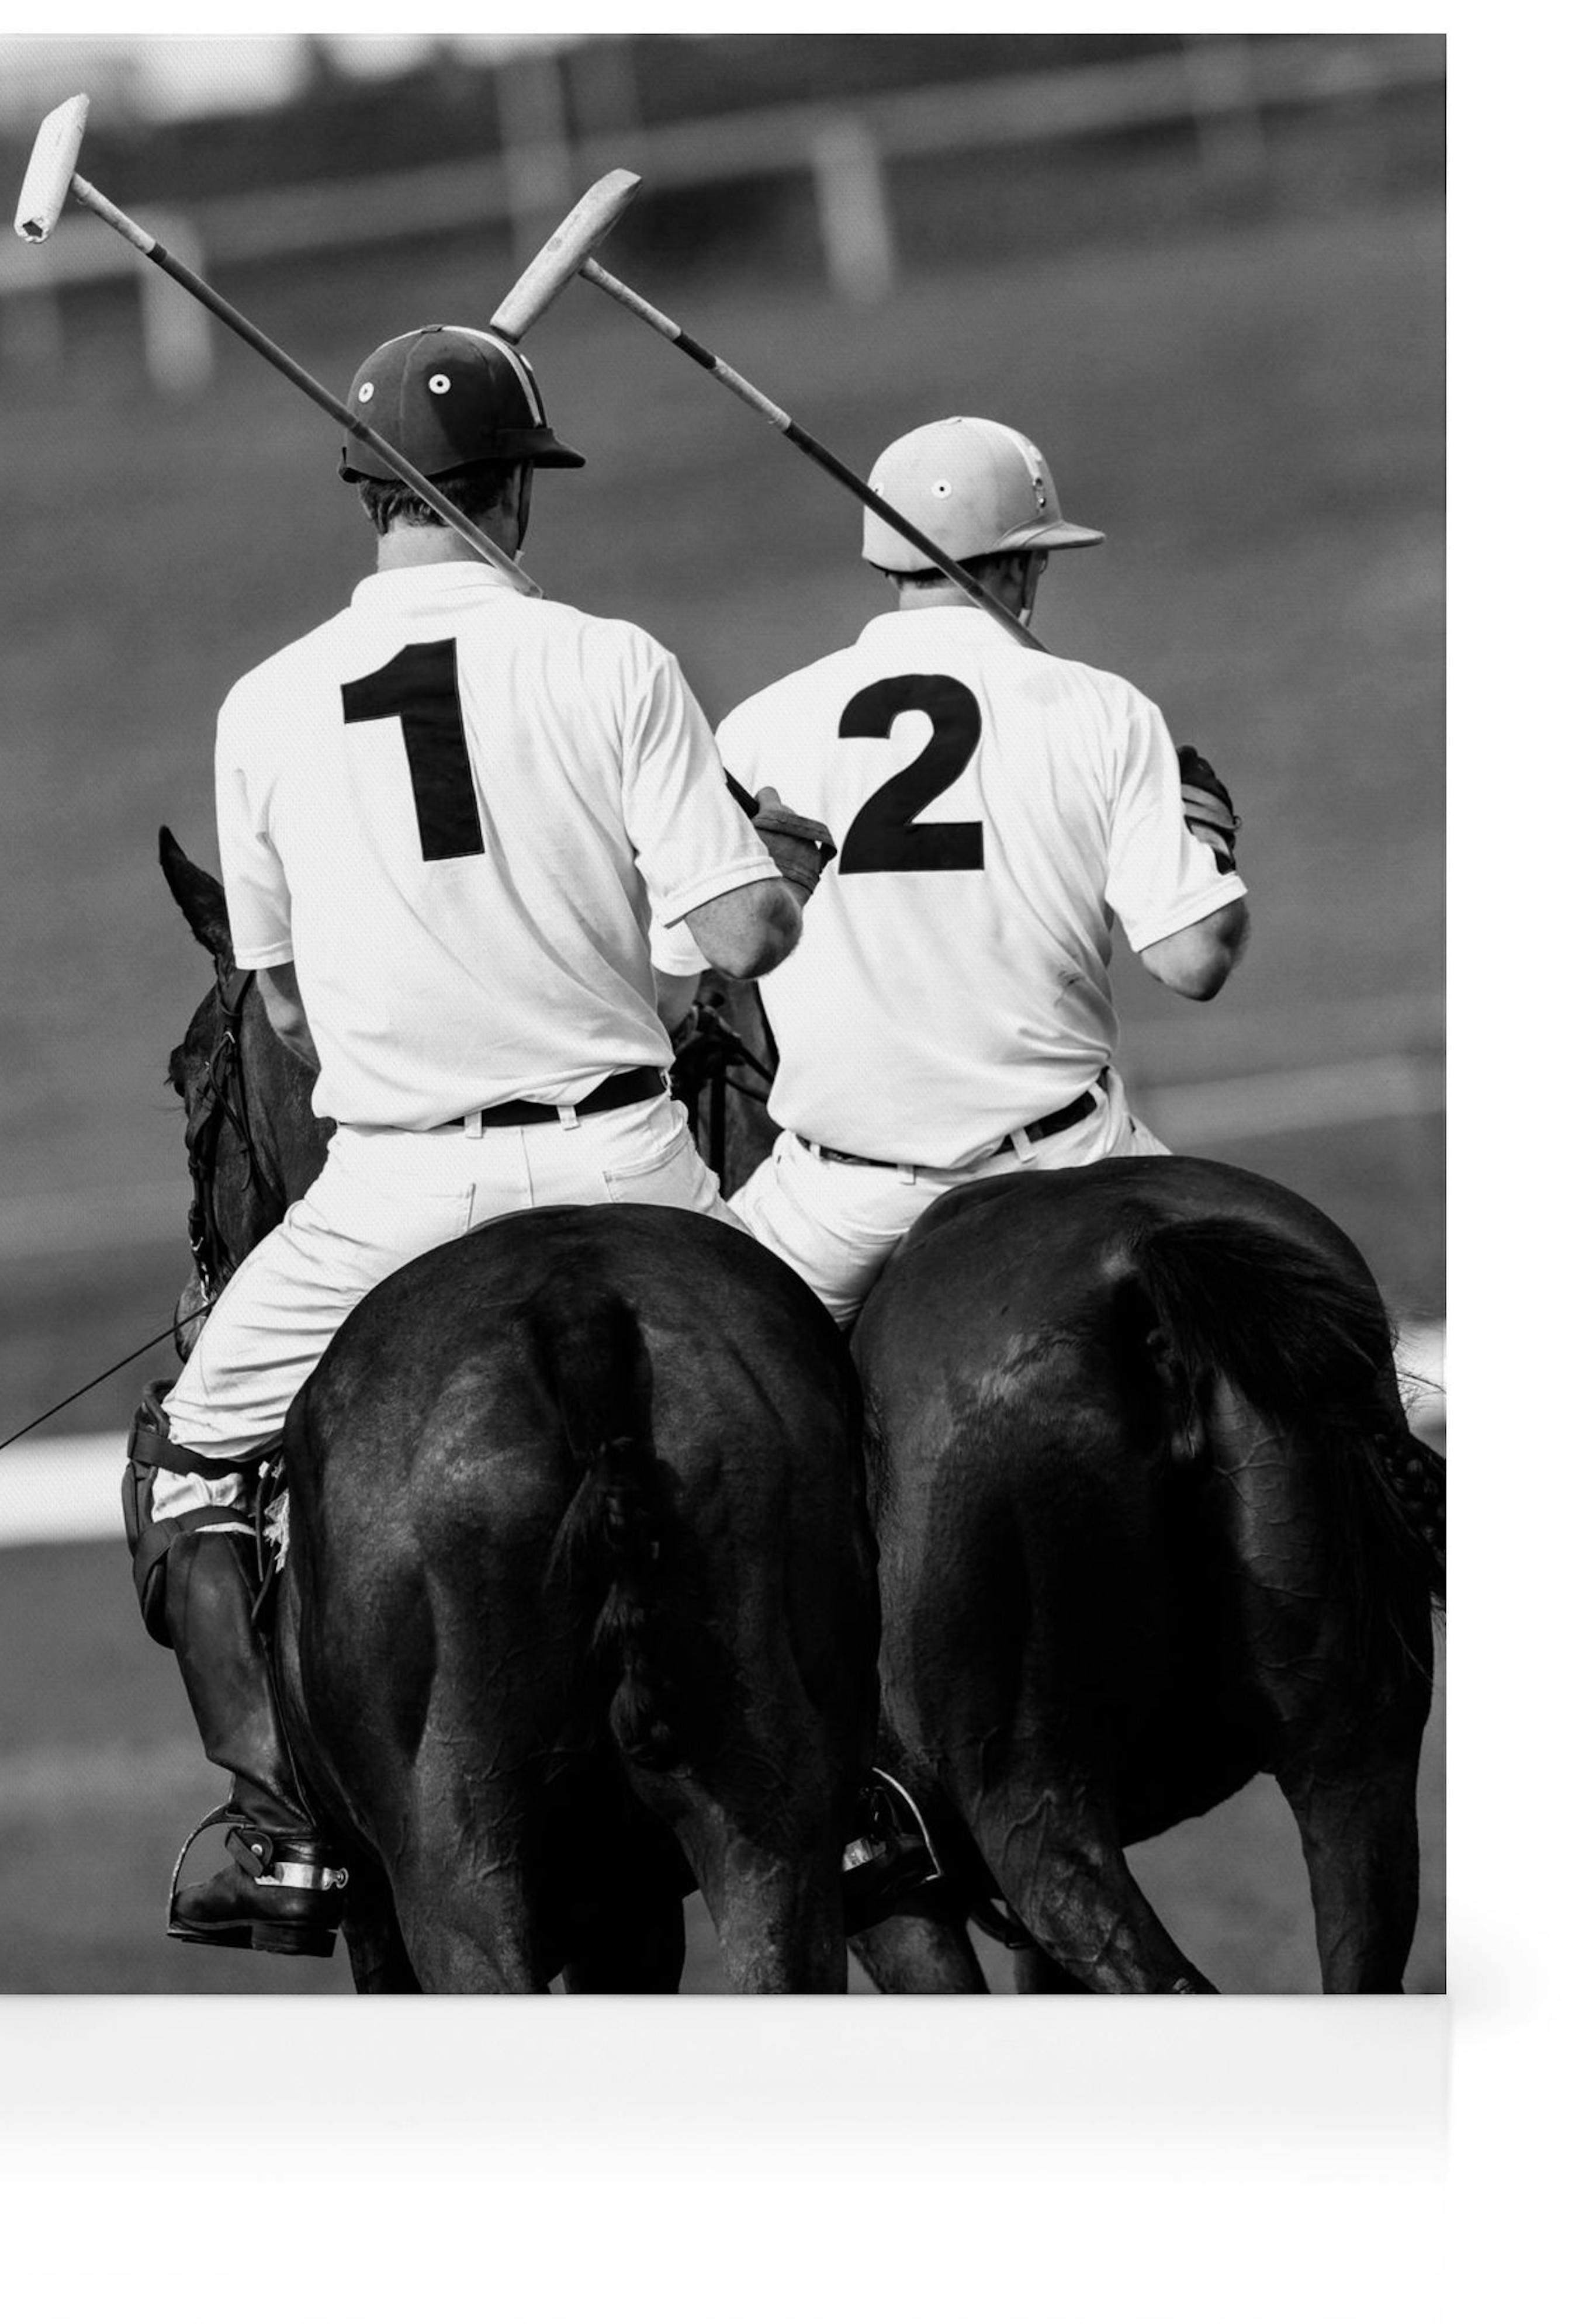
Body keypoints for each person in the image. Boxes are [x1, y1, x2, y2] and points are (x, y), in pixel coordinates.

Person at [120, 323, 831, 1955]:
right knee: (827, 1406)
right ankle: (864, 1778)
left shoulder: (261, 706)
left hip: (391, 1189)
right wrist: (779, 879)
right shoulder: (615, 662)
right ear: (515, 491)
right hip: (631, 1168)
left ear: (369, 497)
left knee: (191, 1459)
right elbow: (740, 939)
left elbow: (282, 1011)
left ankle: (277, 1828)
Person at [656, 414, 1249, 1329]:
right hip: (1071, 1162)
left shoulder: (760, 726)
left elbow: (672, 988)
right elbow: (1193, 962)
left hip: (841, 1202)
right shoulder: (1104, 709)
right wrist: (1209, 847)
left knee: (704, 1383)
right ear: (1019, 563)